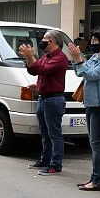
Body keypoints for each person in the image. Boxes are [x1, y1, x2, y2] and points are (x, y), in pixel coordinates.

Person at [68, 28, 100, 191]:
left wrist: (79, 60)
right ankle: (94, 178)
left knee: (96, 144)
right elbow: (79, 71)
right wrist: (77, 59)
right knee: (93, 143)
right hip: (91, 104)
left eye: (95, 40)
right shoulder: (96, 57)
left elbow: (90, 74)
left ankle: (97, 180)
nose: (92, 43)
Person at [20, 30, 69, 175]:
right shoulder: (46, 56)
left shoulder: (60, 58)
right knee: (44, 133)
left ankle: (55, 164)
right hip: (43, 98)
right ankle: (45, 160)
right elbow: (34, 70)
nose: (42, 40)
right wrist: (29, 59)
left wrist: (31, 56)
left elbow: (43, 69)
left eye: (45, 38)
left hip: (53, 100)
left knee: (54, 133)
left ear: (52, 41)